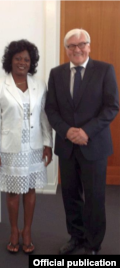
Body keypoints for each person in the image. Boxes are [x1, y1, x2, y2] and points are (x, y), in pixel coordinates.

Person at [45, 28, 119, 255]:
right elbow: (51, 108)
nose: (77, 49)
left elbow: (111, 107)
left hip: (94, 145)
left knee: (95, 197)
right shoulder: (56, 73)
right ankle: (75, 237)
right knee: (70, 195)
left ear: (89, 46)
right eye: (71, 46)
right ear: (66, 49)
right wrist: (67, 131)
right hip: (67, 146)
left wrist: (86, 131)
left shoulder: (105, 70)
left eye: (81, 44)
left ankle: (93, 243)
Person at [0, 40, 53, 254]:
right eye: (18, 58)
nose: (22, 62)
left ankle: (27, 231)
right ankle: (14, 230)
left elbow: (44, 117)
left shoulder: (39, 84)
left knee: (30, 189)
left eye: (26, 59)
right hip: (10, 148)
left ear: (31, 62)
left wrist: (47, 143)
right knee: (13, 192)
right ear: (10, 60)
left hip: (33, 147)